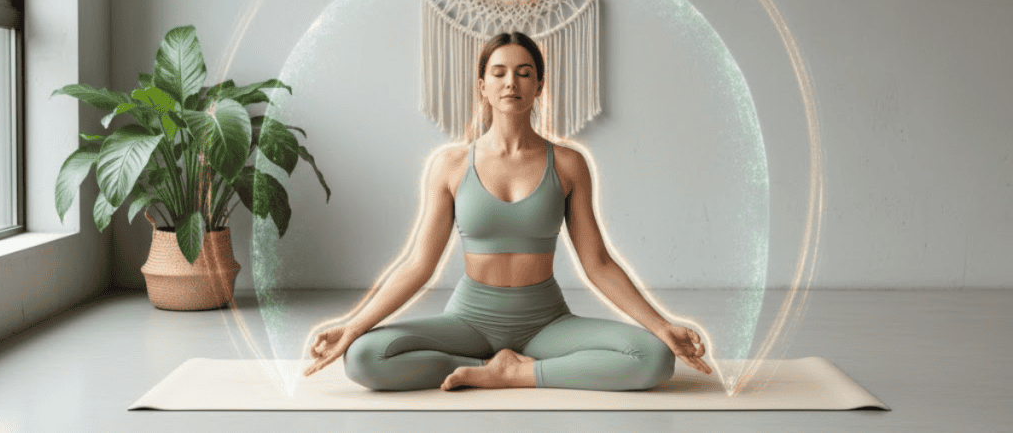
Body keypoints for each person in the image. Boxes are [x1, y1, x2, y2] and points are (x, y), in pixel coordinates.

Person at [303, 32, 712, 391]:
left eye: (524, 72)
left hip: (546, 323)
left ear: (539, 86)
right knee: (364, 358)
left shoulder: (568, 163)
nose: (511, 82)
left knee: (654, 358)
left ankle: (517, 373)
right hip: (469, 321)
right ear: (482, 86)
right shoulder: (450, 165)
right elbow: (418, 265)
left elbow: (598, 264)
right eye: (498, 73)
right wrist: (353, 326)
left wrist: (661, 325)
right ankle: (488, 369)